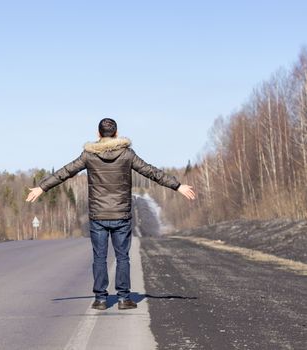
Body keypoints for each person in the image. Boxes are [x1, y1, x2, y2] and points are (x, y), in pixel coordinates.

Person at [25, 118, 195, 310]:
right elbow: (151, 172)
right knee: (122, 257)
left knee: (99, 257)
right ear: (116, 133)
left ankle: (100, 299)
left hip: (98, 216)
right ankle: (123, 299)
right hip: (121, 215)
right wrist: (177, 186)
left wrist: (41, 188)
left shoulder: (88, 155)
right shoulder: (127, 154)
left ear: (98, 134)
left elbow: (65, 172)